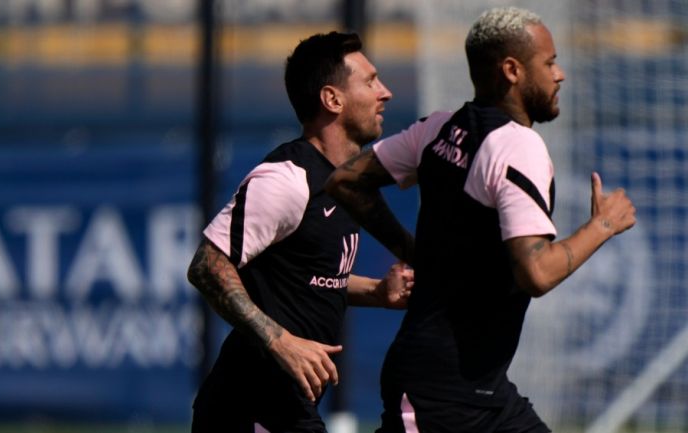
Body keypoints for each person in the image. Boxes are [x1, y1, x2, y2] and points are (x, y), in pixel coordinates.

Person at [325, 7, 637, 433]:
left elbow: (347, 181)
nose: (559, 74)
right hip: (441, 393)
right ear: (511, 70)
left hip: (481, 389)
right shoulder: (517, 146)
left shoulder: (438, 128)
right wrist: (604, 224)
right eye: (548, 63)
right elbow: (536, 273)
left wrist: (414, 251)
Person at [187, 31, 413, 433]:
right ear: (333, 99)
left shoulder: (341, 184)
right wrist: (280, 341)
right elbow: (206, 265)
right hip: (246, 406)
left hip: (284, 408)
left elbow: (307, 279)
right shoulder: (287, 178)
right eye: (370, 81)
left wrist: (378, 293)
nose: (386, 93)